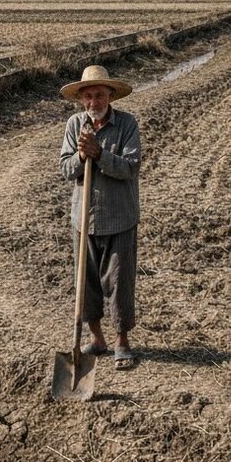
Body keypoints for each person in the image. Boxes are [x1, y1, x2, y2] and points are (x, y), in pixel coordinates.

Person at [58, 64, 141, 370]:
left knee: (120, 282)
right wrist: (81, 156)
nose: (95, 102)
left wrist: (100, 155)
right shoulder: (74, 125)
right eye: (89, 96)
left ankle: (121, 342)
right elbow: (66, 169)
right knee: (87, 283)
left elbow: (130, 167)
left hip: (120, 217)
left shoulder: (127, 125)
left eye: (100, 95)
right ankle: (97, 339)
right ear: (82, 99)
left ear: (110, 96)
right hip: (84, 219)